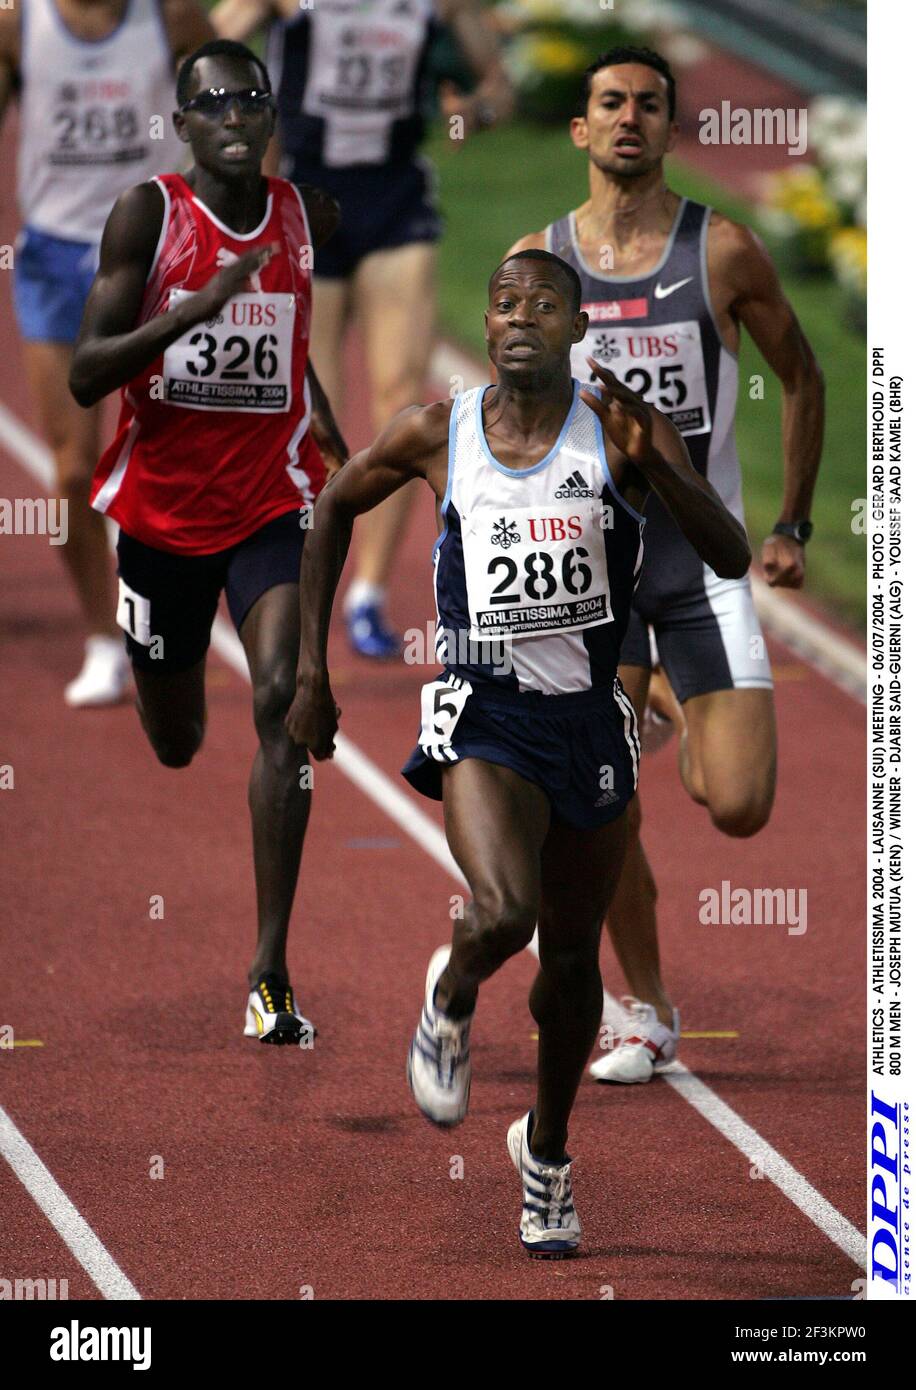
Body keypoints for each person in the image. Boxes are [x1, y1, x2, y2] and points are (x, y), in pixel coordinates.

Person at [285, 249, 751, 1254]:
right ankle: (450, 997)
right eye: (503, 303)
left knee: (574, 963)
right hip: (485, 711)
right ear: (484, 324)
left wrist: (660, 464)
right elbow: (330, 506)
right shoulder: (438, 430)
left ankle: (545, 1155)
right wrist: (310, 672)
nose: (520, 317)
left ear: (576, 326)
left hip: (589, 723)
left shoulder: (618, 430)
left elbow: (729, 553)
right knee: (504, 910)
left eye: (544, 303)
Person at [504, 47, 825, 1083]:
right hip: (589, 577)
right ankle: (642, 1008)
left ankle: (669, 716)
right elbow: (509, 419)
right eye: (610, 103)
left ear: (671, 129)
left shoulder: (720, 251)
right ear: (580, 129)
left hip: (703, 561)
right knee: (600, 803)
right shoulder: (538, 263)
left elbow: (804, 373)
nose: (629, 117)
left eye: (649, 103)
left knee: (736, 803)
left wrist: (793, 524)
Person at [69, 39, 348, 1041]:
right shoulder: (146, 215)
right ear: (181, 122)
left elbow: (291, 335)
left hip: (271, 502)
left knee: (280, 699)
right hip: (160, 517)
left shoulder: (306, 217)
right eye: (211, 102)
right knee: (177, 739)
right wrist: (189, 313)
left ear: (271, 116)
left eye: (250, 99)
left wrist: (314, 408)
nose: (233, 115)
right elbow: (87, 375)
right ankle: (165, 687)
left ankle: (269, 969)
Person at [212, 0, 513, 657]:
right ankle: (290, 569)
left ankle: (369, 592)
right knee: (307, 409)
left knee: (402, 396)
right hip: (306, 201)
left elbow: (499, 89)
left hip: (396, 202)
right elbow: (205, 52)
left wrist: (475, 114)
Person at [0, 0, 215, 706]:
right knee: (69, 472)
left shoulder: (171, 17)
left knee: (175, 457)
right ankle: (102, 635)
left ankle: (179, 609)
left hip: (156, 250)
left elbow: (236, 100)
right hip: (57, 262)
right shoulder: (16, 24)